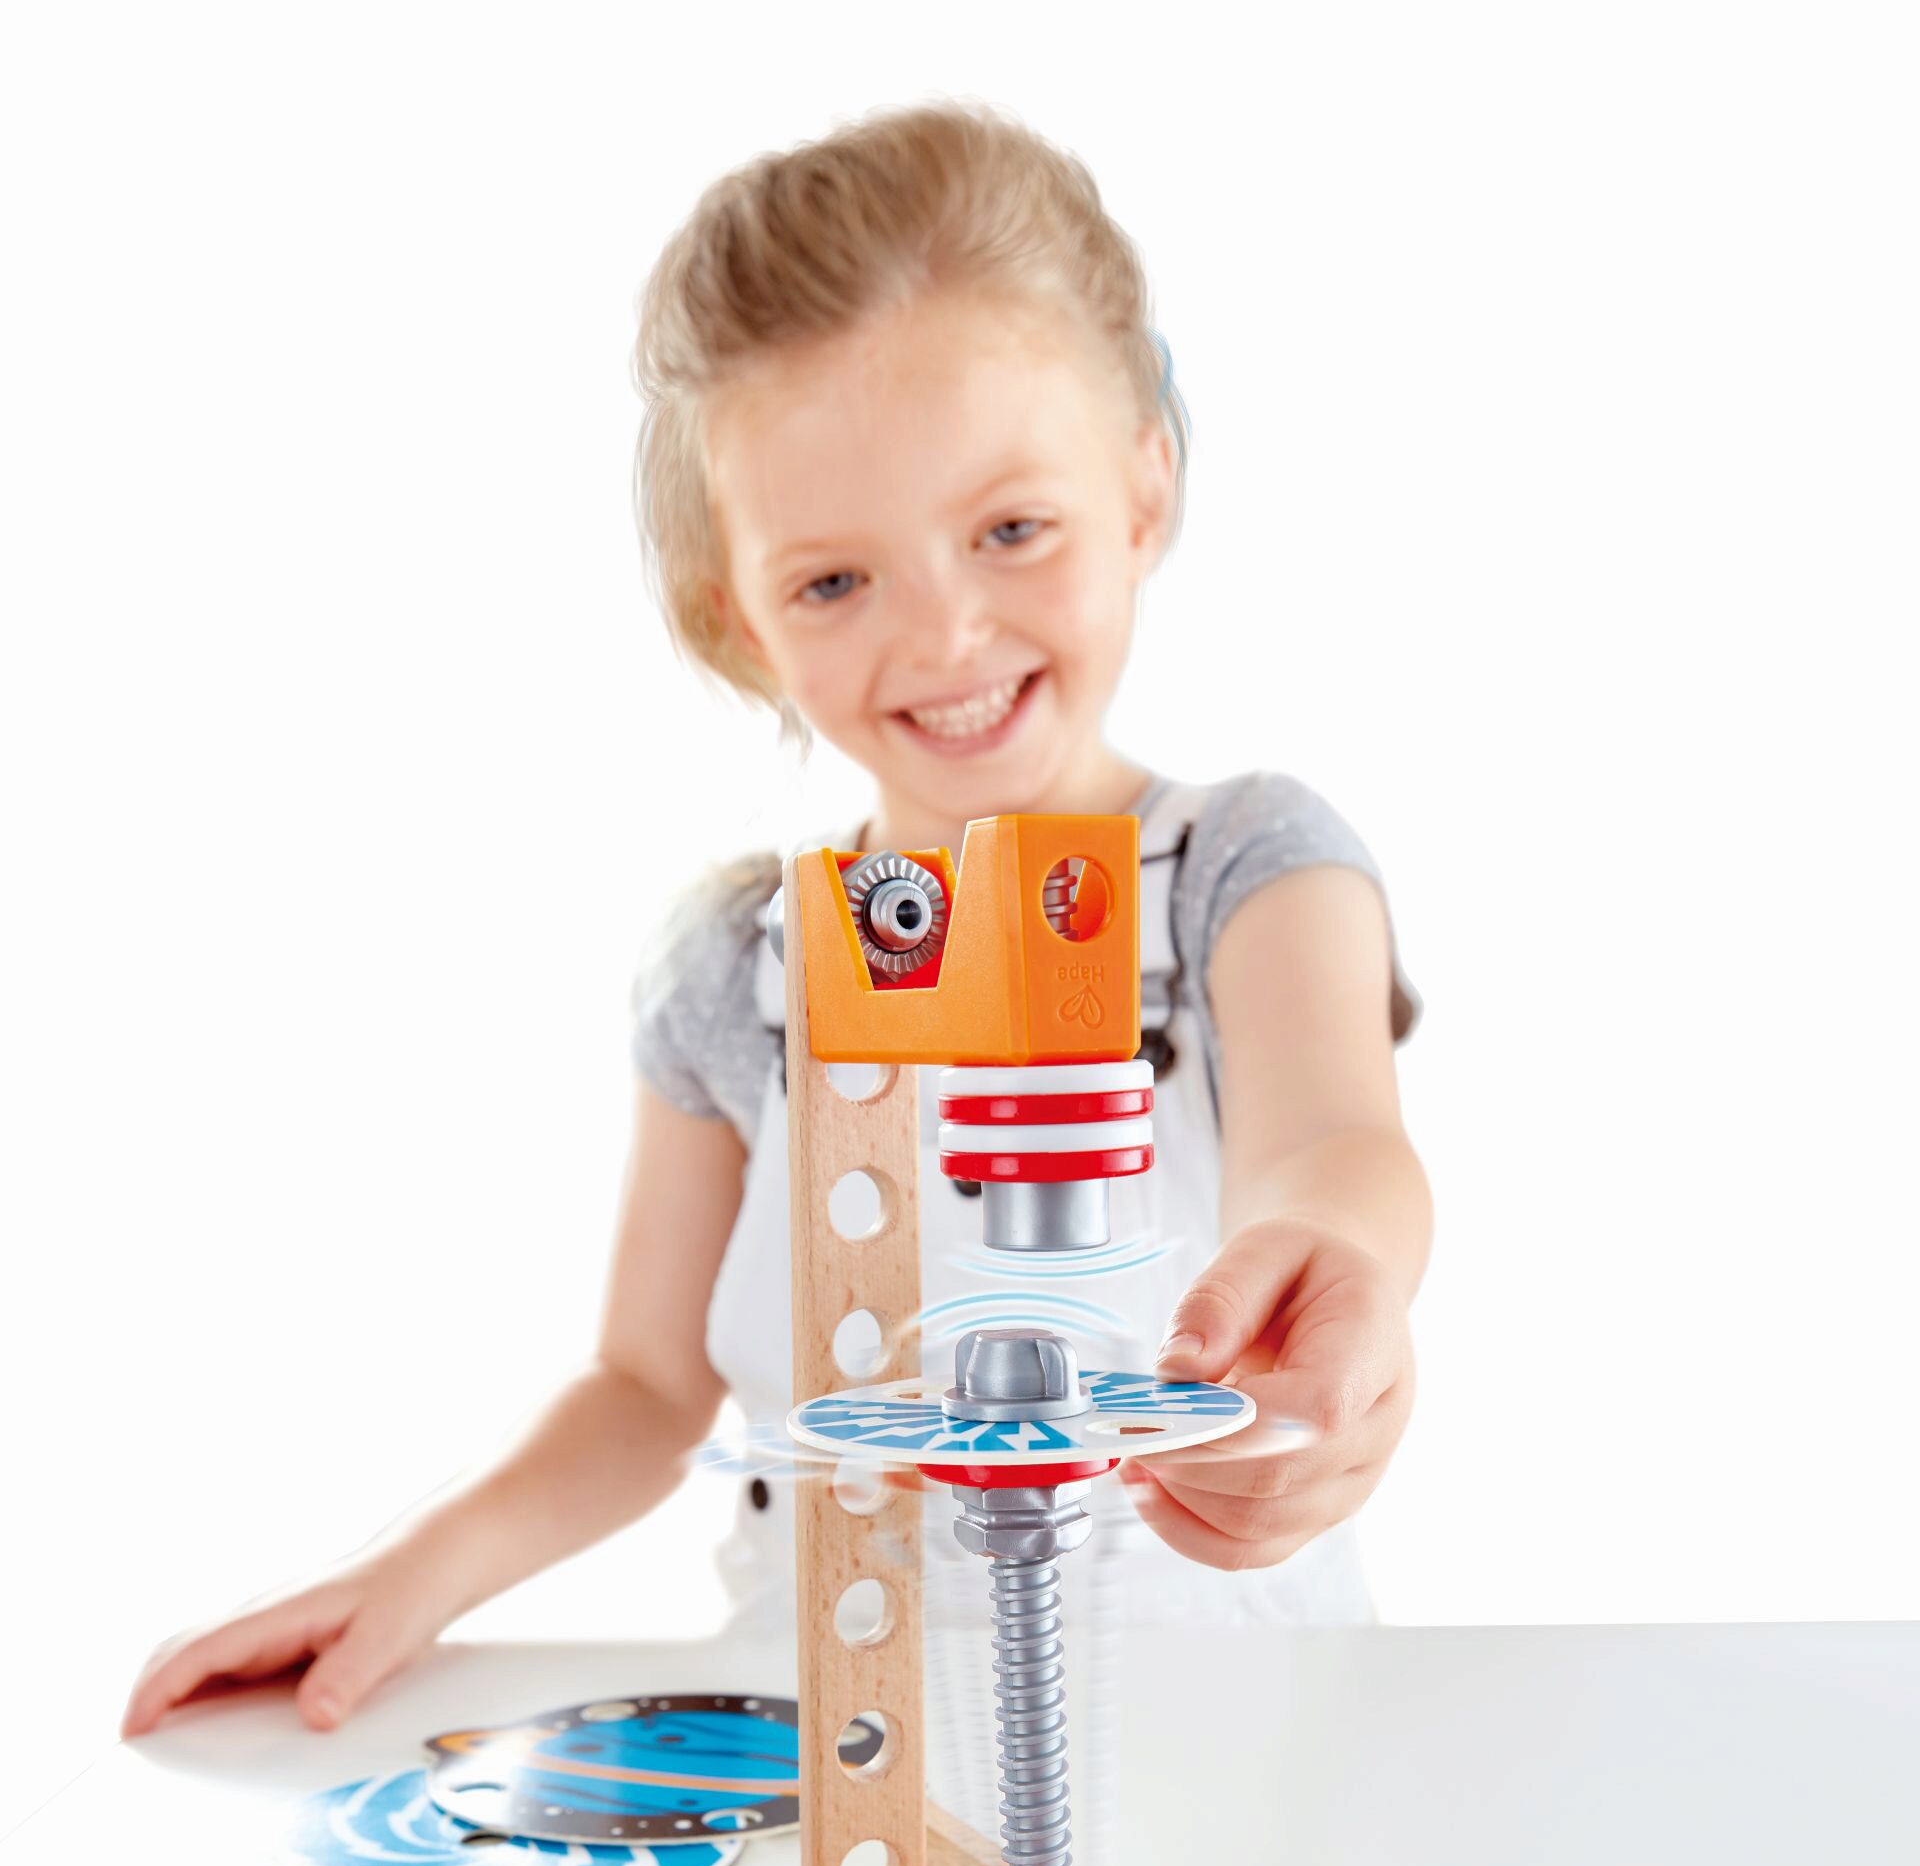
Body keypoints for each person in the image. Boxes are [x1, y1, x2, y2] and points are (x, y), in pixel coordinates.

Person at [124, 103, 1431, 1740]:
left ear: (1144, 486)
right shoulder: (737, 967)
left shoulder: (1250, 868)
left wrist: (1339, 1285)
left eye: (1011, 530)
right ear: (731, 616)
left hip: (1229, 1728)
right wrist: (403, 1578)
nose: (943, 637)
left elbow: (1334, 1152)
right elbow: (645, 1386)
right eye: (833, 582)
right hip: (828, 1738)